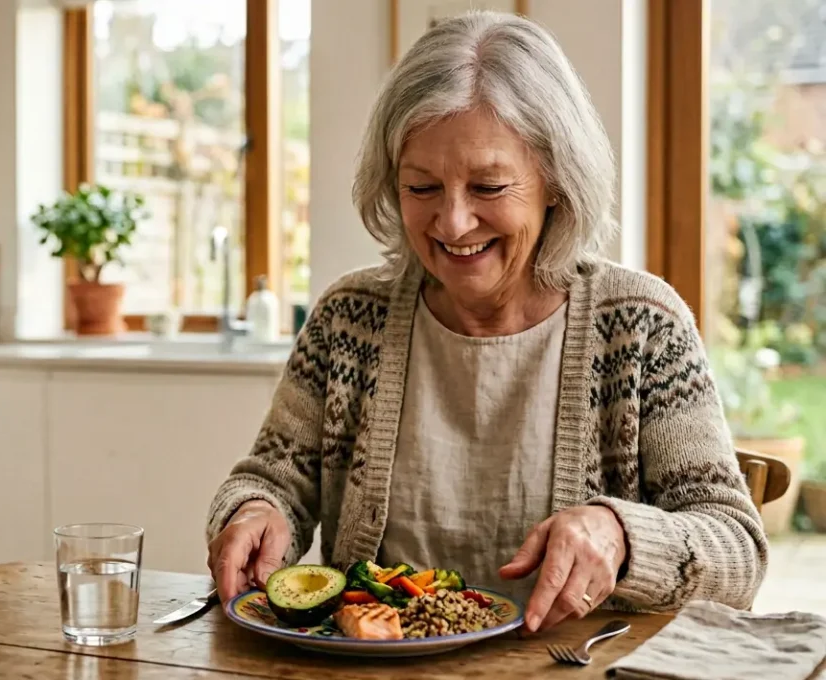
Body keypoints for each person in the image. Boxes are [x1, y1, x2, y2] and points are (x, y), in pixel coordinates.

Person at [204, 10, 767, 634]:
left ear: (555, 181)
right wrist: (254, 512)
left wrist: (621, 534)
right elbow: (273, 479)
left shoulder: (642, 327)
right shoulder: (350, 319)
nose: (453, 223)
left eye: (489, 187)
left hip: (571, 670)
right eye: (422, 188)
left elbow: (737, 551)